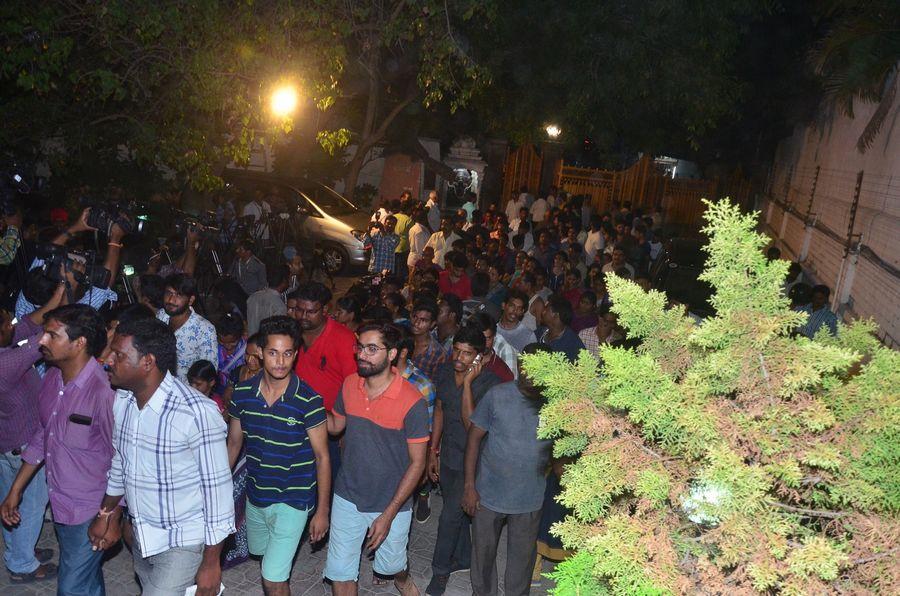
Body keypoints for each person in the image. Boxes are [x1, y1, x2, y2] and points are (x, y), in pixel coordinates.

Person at [91, 317, 235, 596]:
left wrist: (211, 562)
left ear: (148, 362)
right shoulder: (124, 401)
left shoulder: (196, 413)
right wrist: (107, 513)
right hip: (141, 535)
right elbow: (121, 464)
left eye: (119, 354)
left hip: (182, 543)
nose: (108, 360)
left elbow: (218, 493)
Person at [1, 304, 115, 596]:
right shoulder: (52, 378)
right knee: (87, 582)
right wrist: (17, 489)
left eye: (52, 336)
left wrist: (111, 516)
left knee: (71, 588)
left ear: (79, 343)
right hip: (61, 503)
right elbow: (42, 434)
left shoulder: (104, 393)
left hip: (90, 509)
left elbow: (123, 461)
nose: (41, 341)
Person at [226, 316, 330, 595]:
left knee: (272, 580)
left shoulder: (308, 400)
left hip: (294, 499)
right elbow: (234, 443)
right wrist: (219, 490)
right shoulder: (243, 394)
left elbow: (322, 457)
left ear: (296, 355)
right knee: (260, 555)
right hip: (257, 495)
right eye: (273, 352)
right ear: (260, 352)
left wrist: (322, 511)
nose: (280, 361)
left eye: (287, 354)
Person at [323, 323, 428, 596]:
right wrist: (307, 411)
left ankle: (403, 579)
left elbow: (418, 463)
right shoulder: (349, 385)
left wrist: (389, 513)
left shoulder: (412, 401)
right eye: (360, 347)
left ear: (392, 354)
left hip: (391, 500)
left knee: (392, 565)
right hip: (348, 493)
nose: (362, 355)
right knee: (341, 572)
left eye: (372, 349)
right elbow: (335, 426)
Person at [463, 344, 554, 596]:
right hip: (489, 494)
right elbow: (473, 437)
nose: (531, 373)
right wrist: (470, 486)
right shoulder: (497, 395)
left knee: (522, 562)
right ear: (519, 365)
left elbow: (560, 452)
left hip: (530, 498)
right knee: (483, 555)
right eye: (526, 366)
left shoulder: (554, 404)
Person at [426, 325, 501, 595]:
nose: (459, 358)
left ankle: (440, 572)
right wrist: (433, 451)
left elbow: (472, 427)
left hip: (472, 462)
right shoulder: (445, 372)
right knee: (453, 509)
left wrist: (468, 383)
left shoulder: (490, 384)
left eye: (467, 354)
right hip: (447, 455)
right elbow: (440, 411)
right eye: (456, 350)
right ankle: (464, 558)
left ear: (480, 357)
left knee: (448, 517)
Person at [0, 283, 66, 584]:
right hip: (23, 445)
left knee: (10, 499)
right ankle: (22, 565)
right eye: (6, 322)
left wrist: (61, 286)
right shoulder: (6, 363)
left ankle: (19, 550)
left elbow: (31, 321)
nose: (13, 324)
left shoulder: (4, 346)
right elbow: (46, 336)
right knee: (32, 501)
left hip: (8, 443)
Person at [157, 273, 218, 381]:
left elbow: (207, 374)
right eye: (168, 293)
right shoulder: (161, 316)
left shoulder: (204, 330)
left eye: (178, 295)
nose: (171, 300)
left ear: (190, 300)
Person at [537, 295, 586, 363]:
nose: (543, 312)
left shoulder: (572, 344)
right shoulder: (539, 332)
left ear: (556, 315)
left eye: (546, 309)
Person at [246, 264, 291, 335]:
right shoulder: (279, 305)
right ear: (284, 281)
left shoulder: (253, 297)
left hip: (252, 342)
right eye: (289, 278)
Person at [469, 313, 514, 383]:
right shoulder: (460, 357)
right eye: (478, 338)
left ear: (494, 336)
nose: (483, 343)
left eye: (487, 339)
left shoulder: (502, 371)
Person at [410, 301, 448, 382]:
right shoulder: (403, 339)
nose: (416, 323)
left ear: (432, 324)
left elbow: (435, 385)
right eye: (414, 317)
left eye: (423, 320)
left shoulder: (438, 354)